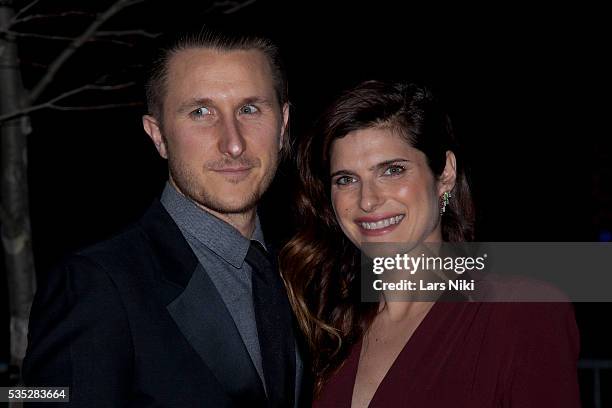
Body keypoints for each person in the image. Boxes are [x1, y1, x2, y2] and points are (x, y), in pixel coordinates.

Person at [23, 24, 306, 407]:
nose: (234, 143)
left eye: (250, 109)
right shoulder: (93, 283)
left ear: (283, 125)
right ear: (157, 135)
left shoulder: (301, 270)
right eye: (201, 112)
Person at [280, 80, 581, 407]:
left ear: (445, 174)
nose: (367, 200)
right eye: (346, 179)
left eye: (392, 170)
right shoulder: (329, 328)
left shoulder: (519, 313)